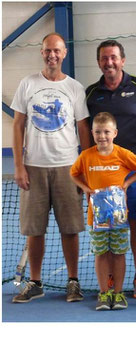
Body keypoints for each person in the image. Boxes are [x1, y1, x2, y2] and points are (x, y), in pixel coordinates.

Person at [11, 32, 90, 304]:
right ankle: (35, 282)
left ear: (64, 53)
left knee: (70, 228)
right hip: (33, 168)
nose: (52, 55)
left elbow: (82, 129)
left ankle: (73, 281)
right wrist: (19, 167)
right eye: (47, 50)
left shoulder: (75, 88)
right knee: (35, 230)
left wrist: (85, 168)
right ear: (42, 52)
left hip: (67, 168)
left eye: (56, 50)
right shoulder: (27, 84)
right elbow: (18, 124)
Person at [86, 40, 136, 298]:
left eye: (114, 57)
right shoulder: (92, 93)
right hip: (103, 171)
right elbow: (85, 131)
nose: (109, 62)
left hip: (135, 168)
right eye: (104, 58)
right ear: (99, 62)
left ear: (123, 60)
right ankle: (110, 279)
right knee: (106, 224)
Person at [70, 112, 136, 310]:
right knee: (101, 254)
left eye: (106, 132)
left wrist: (127, 183)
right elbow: (73, 174)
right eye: (98, 132)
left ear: (114, 133)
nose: (102, 136)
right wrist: (86, 188)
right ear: (92, 133)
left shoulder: (122, 154)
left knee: (118, 253)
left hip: (119, 217)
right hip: (96, 218)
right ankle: (104, 293)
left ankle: (118, 293)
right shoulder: (86, 156)